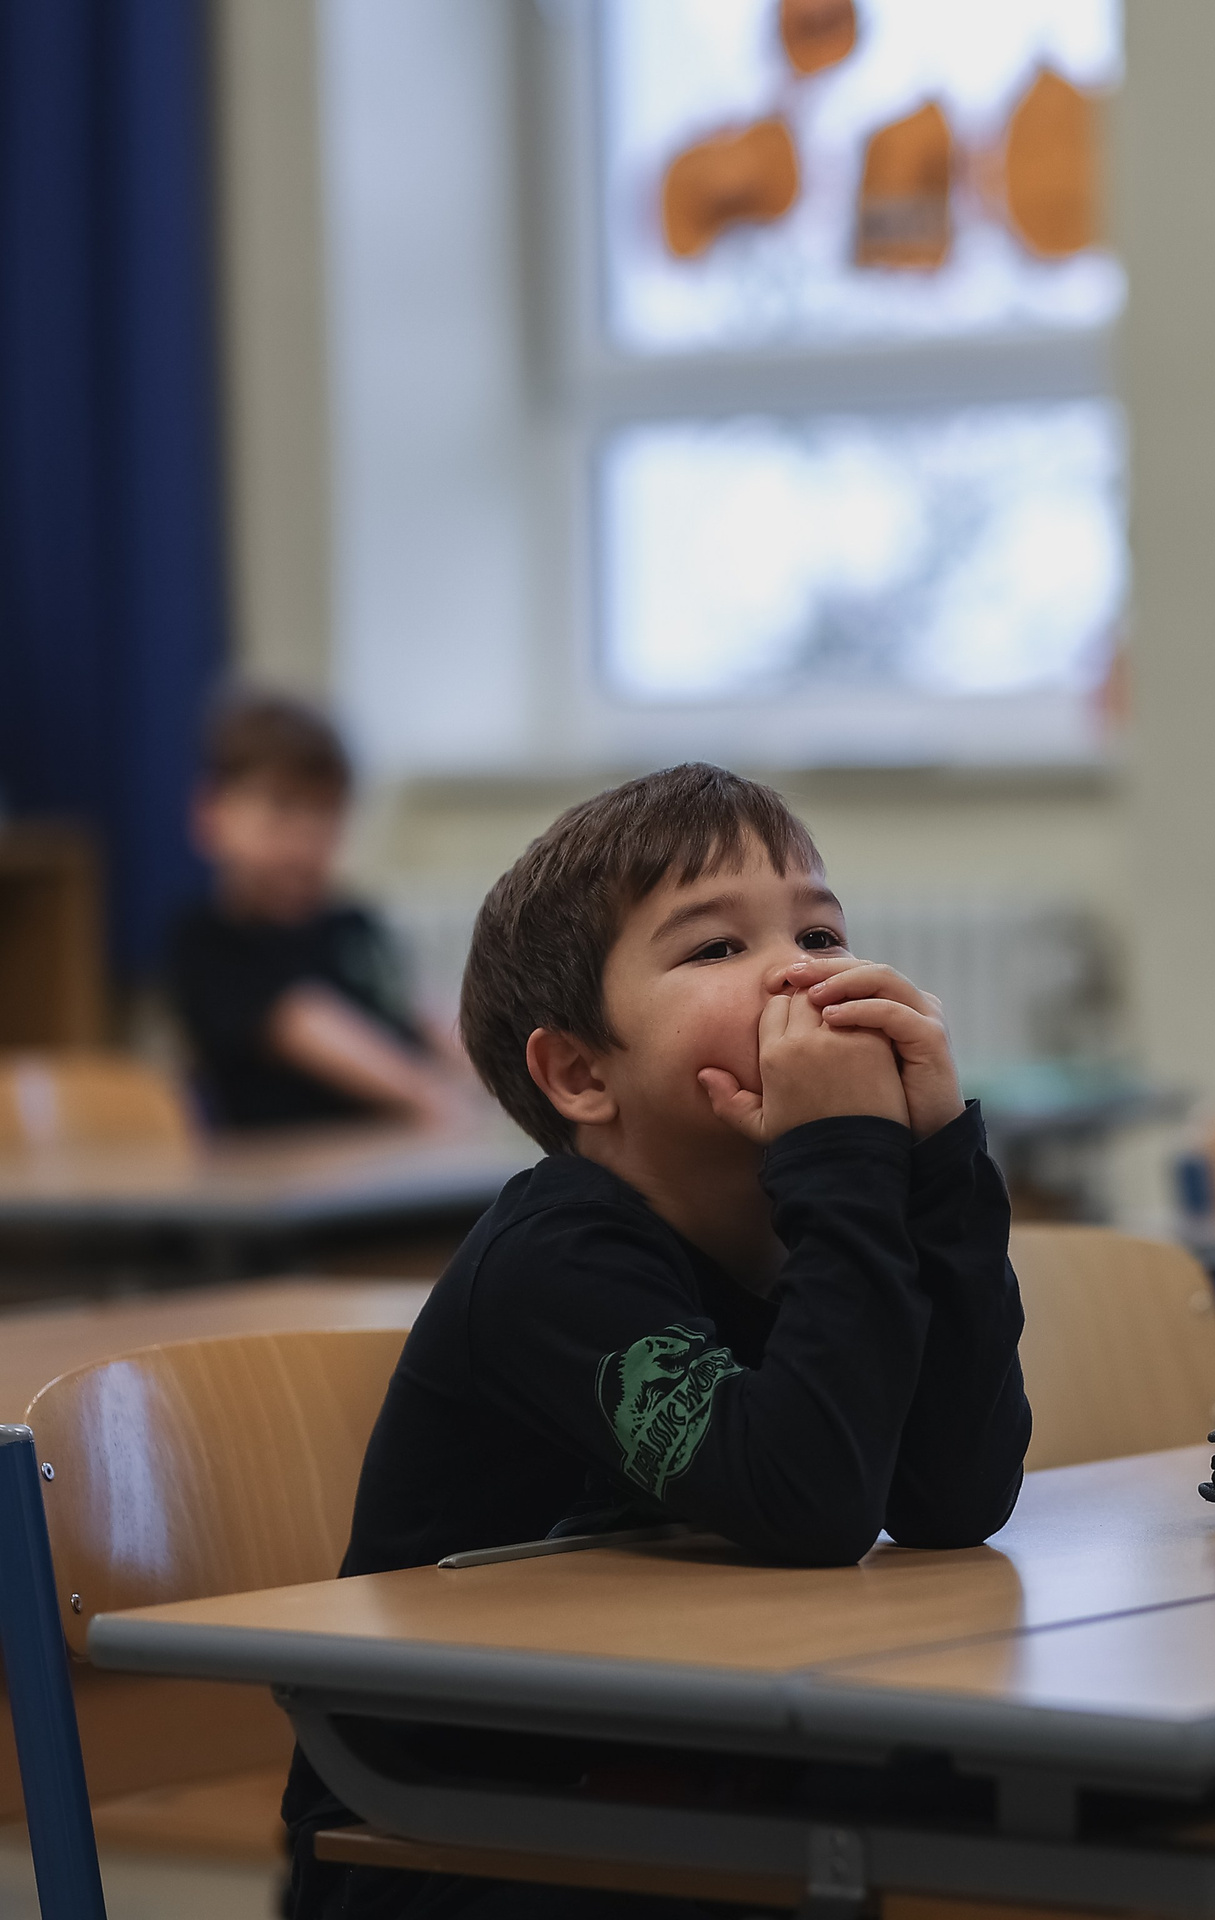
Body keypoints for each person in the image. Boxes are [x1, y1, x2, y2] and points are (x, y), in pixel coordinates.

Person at [281, 763, 1033, 1919]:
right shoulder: (554, 1260)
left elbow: (952, 1494)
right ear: (581, 1073)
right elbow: (814, 1501)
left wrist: (937, 1172)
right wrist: (845, 1163)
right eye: (716, 949)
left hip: (699, 1782)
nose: (802, 970)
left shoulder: (812, 1227)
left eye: (821, 929)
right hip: (455, 1845)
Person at [166, 692, 466, 1128]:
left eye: (327, 812)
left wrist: (495, 1079)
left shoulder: (354, 923)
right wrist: (431, 1096)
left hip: (397, 1155)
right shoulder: (210, 940)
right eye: (281, 808)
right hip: (280, 1175)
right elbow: (305, 1025)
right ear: (210, 814)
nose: (307, 837)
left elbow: (421, 1011)